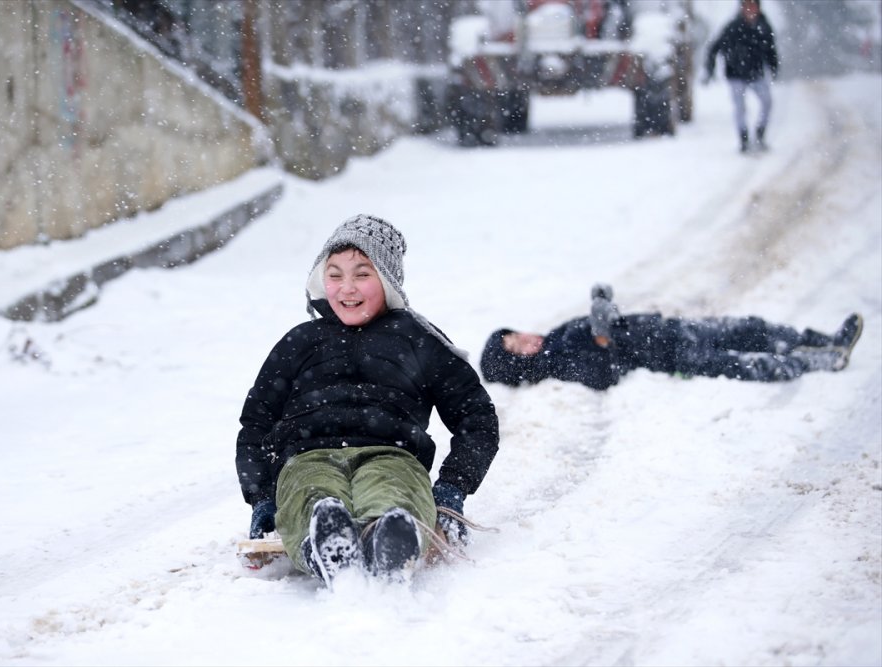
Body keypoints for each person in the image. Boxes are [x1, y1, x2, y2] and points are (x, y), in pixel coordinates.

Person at [236, 214, 500, 587]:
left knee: (391, 489)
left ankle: (391, 535)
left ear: (387, 280)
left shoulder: (418, 338)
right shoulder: (300, 342)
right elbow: (256, 423)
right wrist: (262, 496)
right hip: (307, 458)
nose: (347, 288)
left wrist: (452, 489)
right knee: (311, 494)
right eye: (335, 275)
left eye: (362, 274)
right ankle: (325, 542)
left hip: (392, 455)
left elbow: (476, 417)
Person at [480, 284, 864, 391]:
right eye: (518, 350)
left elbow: (607, 324)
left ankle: (818, 339)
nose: (526, 340)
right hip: (669, 354)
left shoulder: (557, 336)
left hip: (670, 330)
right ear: (521, 365)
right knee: (747, 365)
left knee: (750, 328)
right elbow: (602, 373)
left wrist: (603, 307)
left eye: (515, 335)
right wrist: (602, 339)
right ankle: (822, 358)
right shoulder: (557, 361)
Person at [703, 0, 779, 153]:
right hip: (735, 75)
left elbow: (771, 50)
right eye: (746, 6)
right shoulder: (733, 27)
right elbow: (714, 48)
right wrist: (710, 69)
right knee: (740, 107)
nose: (750, 9)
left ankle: (760, 133)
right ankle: (743, 138)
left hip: (757, 74)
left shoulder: (764, 27)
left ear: (758, 8)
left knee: (767, 102)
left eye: (753, 6)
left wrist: (774, 67)